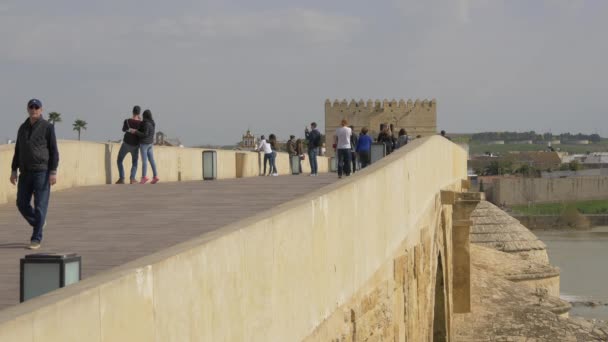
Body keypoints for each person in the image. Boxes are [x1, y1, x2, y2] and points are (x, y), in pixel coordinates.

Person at [10, 99, 59, 250]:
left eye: (36, 107)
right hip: (25, 172)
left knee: (40, 206)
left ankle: (36, 237)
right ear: (27, 109)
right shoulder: (22, 128)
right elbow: (18, 150)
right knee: (21, 203)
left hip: (42, 172)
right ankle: (39, 222)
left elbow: (54, 151)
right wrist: (13, 170)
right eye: (31, 107)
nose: (34, 110)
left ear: (41, 109)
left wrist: (53, 171)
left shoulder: (47, 127)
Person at [131, 109, 159, 184]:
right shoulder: (152, 123)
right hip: (150, 144)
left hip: (144, 144)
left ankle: (144, 177)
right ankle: (155, 176)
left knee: (144, 161)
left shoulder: (146, 123)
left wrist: (135, 132)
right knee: (152, 161)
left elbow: (145, 134)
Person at [116, 106, 142, 184]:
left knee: (119, 160)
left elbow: (123, 129)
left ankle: (122, 178)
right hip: (135, 145)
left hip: (126, 144)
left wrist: (130, 129)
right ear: (139, 113)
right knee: (134, 162)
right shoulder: (141, 123)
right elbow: (141, 134)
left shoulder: (127, 121)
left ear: (132, 112)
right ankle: (132, 178)